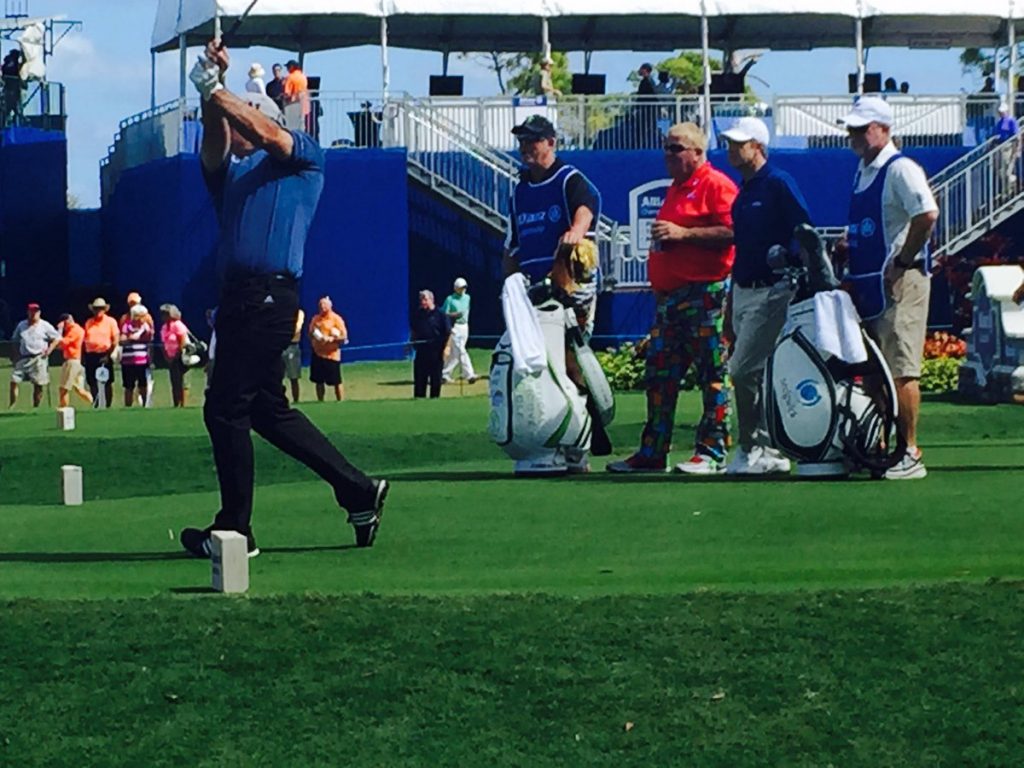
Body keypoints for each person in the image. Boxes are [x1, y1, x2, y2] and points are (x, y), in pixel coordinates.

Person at [179, 39, 387, 558]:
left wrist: (220, 91)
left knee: (225, 410)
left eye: (243, 118)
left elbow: (271, 135)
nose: (237, 129)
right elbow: (212, 142)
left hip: (267, 296)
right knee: (267, 410)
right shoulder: (231, 171)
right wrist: (211, 86)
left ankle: (235, 531)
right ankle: (357, 489)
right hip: (241, 300)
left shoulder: (302, 159)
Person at [607, 122, 738, 474]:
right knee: (660, 375)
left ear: (697, 152)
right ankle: (653, 452)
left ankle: (712, 451)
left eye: (676, 148)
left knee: (712, 373)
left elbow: (734, 231)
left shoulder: (716, 185)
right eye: (666, 147)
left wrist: (685, 233)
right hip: (670, 300)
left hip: (705, 294)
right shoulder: (677, 189)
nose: (668, 154)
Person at [839, 95, 938, 480]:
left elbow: (927, 214)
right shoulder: (863, 171)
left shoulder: (901, 168)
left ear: (883, 128)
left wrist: (902, 260)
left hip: (901, 283)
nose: (854, 136)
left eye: (862, 129)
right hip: (869, 284)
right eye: (852, 129)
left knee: (900, 369)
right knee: (875, 373)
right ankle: (883, 447)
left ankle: (909, 450)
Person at [503, 114, 602, 472]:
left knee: (569, 364)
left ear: (551, 142)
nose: (526, 148)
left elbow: (585, 210)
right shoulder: (518, 190)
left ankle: (581, 442)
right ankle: (555, 439)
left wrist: (576, 231)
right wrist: (509, 288)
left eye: (534, 140)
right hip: (532, 290)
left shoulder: (567, 178)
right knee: (540, 366)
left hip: (569, 285)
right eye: (523, 141)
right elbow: (512, 245)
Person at [721, 116, 812, 475]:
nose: (730, 149)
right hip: (743, 290)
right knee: (754, 372)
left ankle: (753, 445)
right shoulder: (744, 192)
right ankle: (768, 448)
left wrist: (791, 263)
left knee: (742, 370)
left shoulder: (777, 182)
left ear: (757, 147)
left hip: (772, 291)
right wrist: (731, 299)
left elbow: (803, 228)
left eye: (738, 144)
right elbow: (741, 249)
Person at [8, 302, 59, 408]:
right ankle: (12, 405)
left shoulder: (45, 325)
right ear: (28, 312)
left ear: (39, 313)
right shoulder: (22, 325)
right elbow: (15, 340)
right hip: (23, 357)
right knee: (14, 381)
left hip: (38, 358)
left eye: (35, 311)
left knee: (38, 384)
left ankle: (36, 407)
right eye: (31, 311)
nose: (33, 314)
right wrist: (15, 355)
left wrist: (49, 350)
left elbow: (57, 338)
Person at [410, 289, 450, 399]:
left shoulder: (441, 315)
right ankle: (419, 399)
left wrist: (447, 347)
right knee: (420, 379)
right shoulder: (418, 314)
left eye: (425, 300)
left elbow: (448, 333)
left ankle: (435, 400)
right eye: (421, 300)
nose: (423, 302)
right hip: (422, 350)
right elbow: (414, 330)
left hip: (436, 351)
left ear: (431, 300)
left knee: (435, 379)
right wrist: (411, 342)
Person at [118, 291, 155, 405]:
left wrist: (143, 333)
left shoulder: (147, 319)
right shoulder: (125, 320)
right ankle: (128, 406)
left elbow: (150, 338)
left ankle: (144, 404)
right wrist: (131, 338)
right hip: (127, 359)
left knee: (142, 384)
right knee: (128, 385)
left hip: (142, 358)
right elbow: (121, 339)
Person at [308, 296, 347, 401]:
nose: (322, 307)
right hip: (318, 353)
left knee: (336, 381)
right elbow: (311, 333)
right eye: (320, 305)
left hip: (332, 355)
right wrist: (317, 337)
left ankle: (340, 401)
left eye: (324, 305)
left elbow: (344, 337)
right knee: (318, 380)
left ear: (330, 306)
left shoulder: (336, 319)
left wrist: (331, 339)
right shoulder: (316, 319)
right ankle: (320, 401)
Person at [83, 297, 119, 407]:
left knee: (107, 382)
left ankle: (108, 405)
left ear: (104, 309)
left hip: (105, 354)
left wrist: (109, 354)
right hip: (91, 355)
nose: (98, 311)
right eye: (96, 309)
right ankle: (96, 403)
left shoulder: (110, 321)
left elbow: (115, 339)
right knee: (92, 381)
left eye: (100, 309)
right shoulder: (88, 322)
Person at [441, 277, 477, 384]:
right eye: (461, 288)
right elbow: (444, 314)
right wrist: (454, 315)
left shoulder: (467, 298)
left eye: (464, 287)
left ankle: (444, 374)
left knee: (456, 353)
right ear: (456, 288)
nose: (463, 290)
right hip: (455, 326)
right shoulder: (450, 299)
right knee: (461, 350)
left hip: (465, 326)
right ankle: (469, 375)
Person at [55, 313, 92, 408]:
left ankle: (63, 409)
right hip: (74, 361)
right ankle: (94, 404)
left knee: (64, 388)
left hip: (72, 361)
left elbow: (62, 342)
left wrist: (59, 331)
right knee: (79, 389)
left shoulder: (75, 330)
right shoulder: (73, 330)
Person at [159, 304, 190, 408]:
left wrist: (178, 354)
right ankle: (175, 403)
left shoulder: (177, 324)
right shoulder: (164, 327)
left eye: (165, 314)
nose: (163, 316)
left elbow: (182, 340)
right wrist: (167, 356)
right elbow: (164, 343)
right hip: (170, 357)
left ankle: (183, 403)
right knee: (174, 380)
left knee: (182, 380)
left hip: (180, 357)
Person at [282, 307, 305, 403]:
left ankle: (296, 399)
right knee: (278, 375)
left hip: (292, 345)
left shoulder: (299, 313)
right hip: (280, 345)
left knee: (293, 376)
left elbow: (298, 327)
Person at [283, 59, 310, 131]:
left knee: (291, 125)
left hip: (293, 104)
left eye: (288, 67)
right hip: (303, 102)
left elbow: (287, 93)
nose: (287, 69)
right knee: (301, 123)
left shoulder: (290, 77)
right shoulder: (303, 76)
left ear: (291, 67)